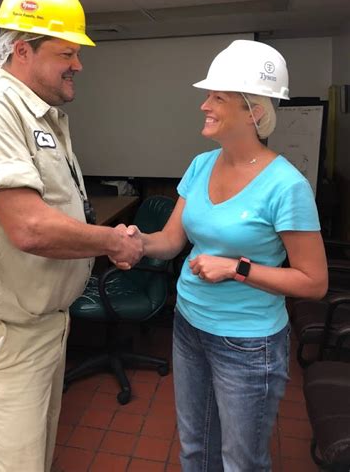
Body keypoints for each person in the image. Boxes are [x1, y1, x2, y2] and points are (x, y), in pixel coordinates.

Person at [0, 0, 143, 472]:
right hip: (4, 339)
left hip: (44, 328)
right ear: (23, 51)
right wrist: (114, 240)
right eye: (67, 53)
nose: (78, 64)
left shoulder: (43, 117)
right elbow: (30, 227)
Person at [127, 40, 328, 472]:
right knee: (195, 450)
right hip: (189, 326)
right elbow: (170, 240)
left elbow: (313, 282)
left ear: (253, 111)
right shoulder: (200, 165)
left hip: (249, 344)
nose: (204, 105)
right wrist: (135, 242)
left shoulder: (286, 186)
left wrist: (237, 268)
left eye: (218, 97)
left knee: (241, 462)